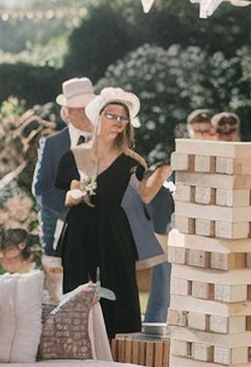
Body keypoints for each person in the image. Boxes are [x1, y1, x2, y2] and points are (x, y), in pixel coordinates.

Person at [34, 76, 165, 301]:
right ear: (67, 112)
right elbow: (43, 189)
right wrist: (74, 203)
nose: (85, 113)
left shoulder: (121, 147)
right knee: (67, 298)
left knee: (113, 294)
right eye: (78, 108)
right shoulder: (53, 144)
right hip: (63, 230)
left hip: (110, 231)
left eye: (88, 107)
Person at [55, 88, 170, 340]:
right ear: (98, 117)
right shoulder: (73, 157)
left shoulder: (133, 162)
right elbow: (61, 196)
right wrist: (74, 196)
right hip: (80, 227)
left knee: (119, 286)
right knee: (76, 285)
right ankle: (75, 342)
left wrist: (164, 170)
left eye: (123, 117)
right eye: (112, 115)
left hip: (115, 229)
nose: (118, 121)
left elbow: (142, 196)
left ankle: (120, 347)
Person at [141, 145, 174, 327]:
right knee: (163, 277)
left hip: (176, 232)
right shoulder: (162, 172)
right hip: (164, 233)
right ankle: (156, 323)